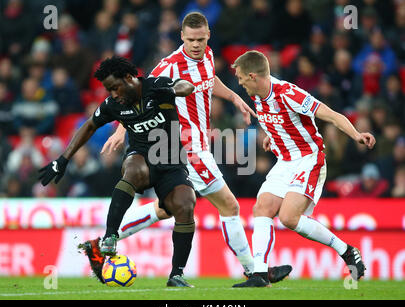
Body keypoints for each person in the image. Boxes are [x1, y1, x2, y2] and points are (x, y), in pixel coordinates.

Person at [100, 12, 291, 284]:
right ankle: (255, 271)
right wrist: (121, 129)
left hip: (199, 146)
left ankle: (105, 241)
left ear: (208, 35)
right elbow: (136, 95)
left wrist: (235, 97)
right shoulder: (169, 66)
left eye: (200, 39)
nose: (196, 45)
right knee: (229, 206)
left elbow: (210, 80)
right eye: (190, 40)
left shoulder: (208, 55)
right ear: (181, 37)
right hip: (184, 148)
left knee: (166, 208)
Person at [38, 55, 198, 287]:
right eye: (108, 90)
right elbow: (90, 125)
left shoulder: (156, 87)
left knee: (186, 204)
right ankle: (110, 236)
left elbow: (184, 86)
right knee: (133, 170)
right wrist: (63, 159)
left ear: (129, 78)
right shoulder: (113, 105)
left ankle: (176, 275)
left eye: (115, 88)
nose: (113, 94)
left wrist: (179, 89)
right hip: (140, 157)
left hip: (171, 161)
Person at [230, 50, 376, 287]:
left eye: (241, 78)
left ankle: (347, 251)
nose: (239, 82)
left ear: (253, 76)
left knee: (289, 217)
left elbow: (330, 115)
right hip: (285, 161)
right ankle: (259, 274)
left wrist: (356, 135)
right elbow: (279, 122)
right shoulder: (258, 96)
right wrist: (273, 137)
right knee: (262, 207)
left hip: (309, 159)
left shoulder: (289, 93)